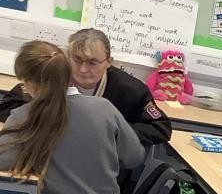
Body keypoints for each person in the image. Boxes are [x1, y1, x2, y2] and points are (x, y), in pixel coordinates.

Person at [0, 40, 143, 194]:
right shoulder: (105, 108)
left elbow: (3, 163)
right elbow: (134, 157)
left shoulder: (24, 116)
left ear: (29, 83)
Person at [0, 27, 172, 146]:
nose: (83, 69)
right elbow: (7, 106)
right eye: (76, 60)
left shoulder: (131, 90)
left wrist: (112, 132)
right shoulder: (55, 74)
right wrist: (47, 120)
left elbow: (160, 128)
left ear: (109, 62)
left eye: (92, 62)